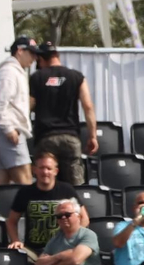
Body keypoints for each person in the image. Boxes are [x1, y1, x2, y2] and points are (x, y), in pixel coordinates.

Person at [29, 40, 96, 185]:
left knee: (48, 185)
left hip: (46, 138)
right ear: (56, 55)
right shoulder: (77, 77)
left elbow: (28, 105)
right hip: (70, 137)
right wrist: (93, 136)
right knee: (75, 186)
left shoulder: (36, 77)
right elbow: (88, 106)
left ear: (40, 59)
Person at [0, 38, 39, 210]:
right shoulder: (9, 72)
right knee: (26, 182)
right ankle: (35, 223)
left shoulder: (15, 72)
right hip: (8, 133)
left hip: (4, 132)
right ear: (20, 51)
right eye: (31, 53)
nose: (34, 58)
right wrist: (9, 129)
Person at [6, 153, 84, 257]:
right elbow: (11, 221)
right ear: (34, 170)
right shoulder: (25, 192)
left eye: (49, 168)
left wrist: (74, 239)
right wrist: (15, 240)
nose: (45, 172)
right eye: (41, 168)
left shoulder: (66, 190)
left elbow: (84, 217)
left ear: (56, 171)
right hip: (32, 250)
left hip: (60, 249)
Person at [33, 199, 100, 265]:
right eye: (59, 216)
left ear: (78, 217)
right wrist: (60, 256)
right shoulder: (56, 238)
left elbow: (74, 261)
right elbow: (39, 264)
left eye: (67, 215)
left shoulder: (88, 235)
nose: (63, 218)